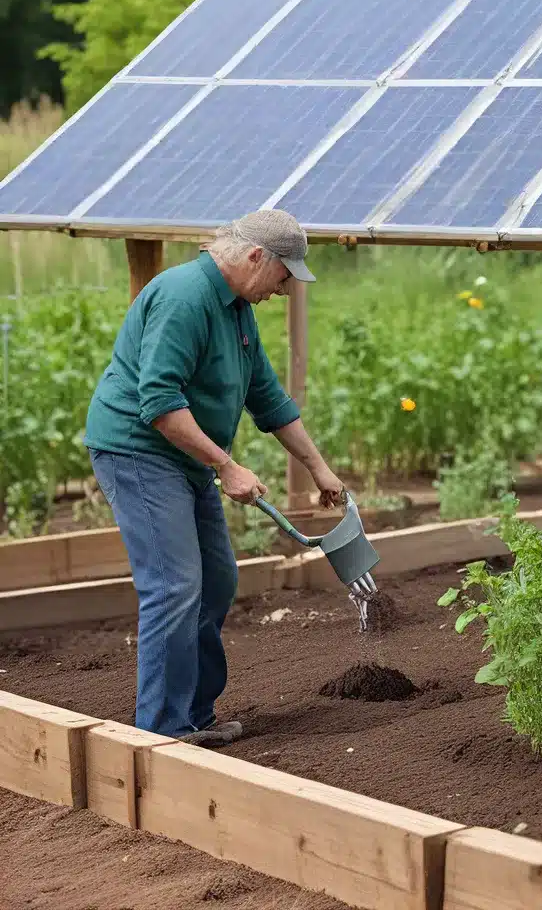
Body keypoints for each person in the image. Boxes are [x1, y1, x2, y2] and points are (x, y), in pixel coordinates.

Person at [83, 209, 346, 746]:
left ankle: (193, 714)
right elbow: (157, 402)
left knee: (218, 579)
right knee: (173, 584)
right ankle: (161, 733)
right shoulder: (184, 298)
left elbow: (267, 397)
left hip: (184, 457)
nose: (284, 288)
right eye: (283, 274)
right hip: (138, 450)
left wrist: (321, 470)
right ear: (255, 258)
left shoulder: (237, 309)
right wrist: (226, 466)